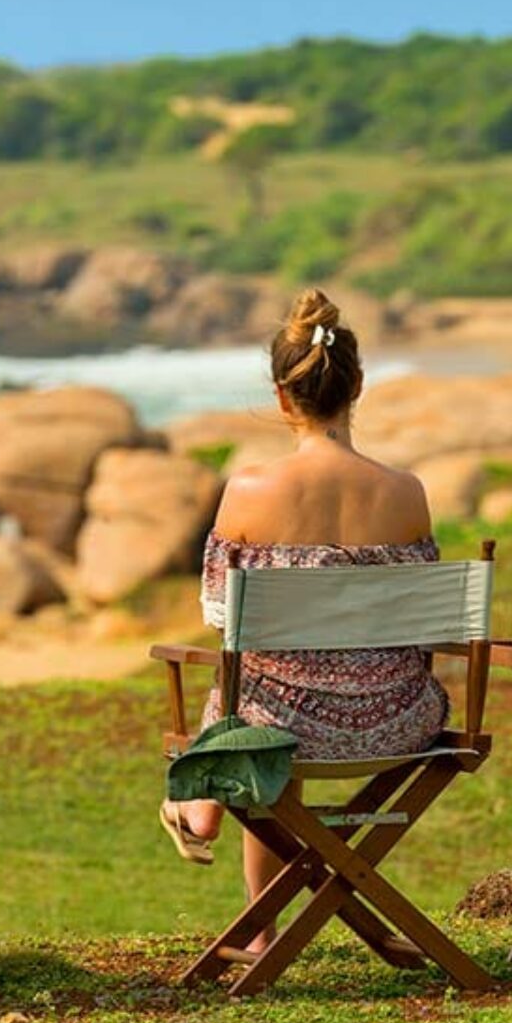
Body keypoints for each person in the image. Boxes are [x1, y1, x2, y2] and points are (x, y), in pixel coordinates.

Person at [159, 289, 450, 950]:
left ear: (282, 398)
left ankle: (206, 821)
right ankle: (264, 923)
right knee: (268, 716)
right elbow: (421, 618)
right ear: (357, 387)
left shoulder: (250, 492)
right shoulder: (407, 493)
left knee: (253, 714)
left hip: (282, 731)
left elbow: (220, 618)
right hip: (401, 722)